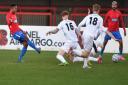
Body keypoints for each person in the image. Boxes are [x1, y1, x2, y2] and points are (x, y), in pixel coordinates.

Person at [72, 4, 117, 69]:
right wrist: (114, 37)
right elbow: (104, 29)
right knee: (85, 54)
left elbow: (79, 25)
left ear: (93, 9)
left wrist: (79, 35)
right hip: (90, 37)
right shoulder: (100, 18)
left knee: (87, 51)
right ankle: (73, 51)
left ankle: (85, 65)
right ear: (99, 10)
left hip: (84, 35)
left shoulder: (88, 16)